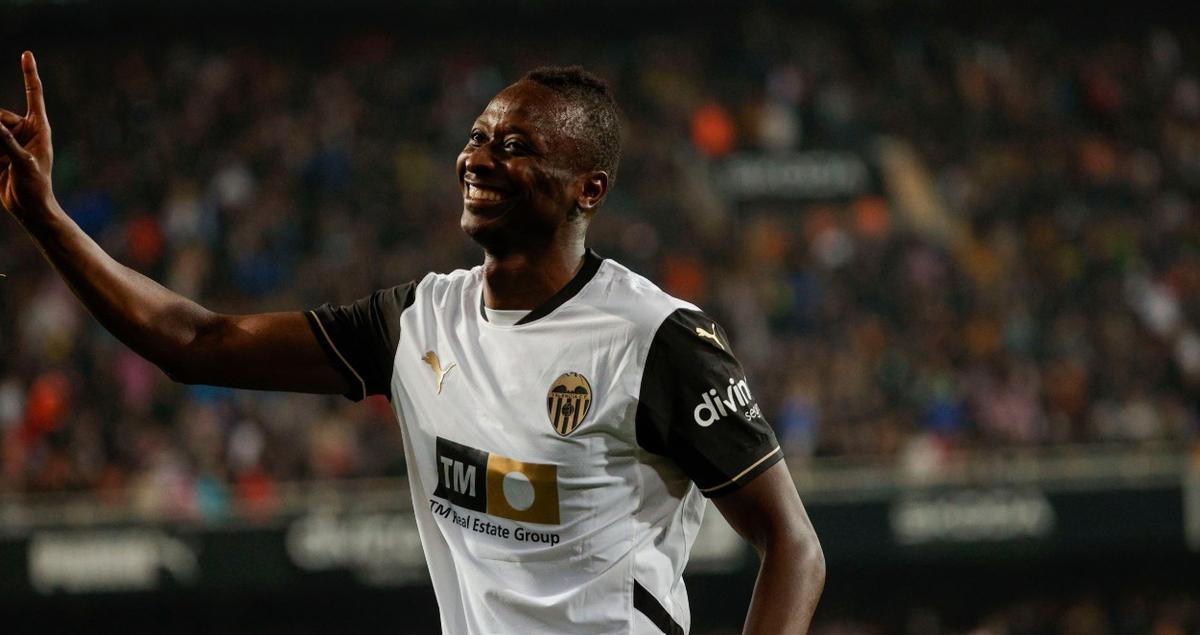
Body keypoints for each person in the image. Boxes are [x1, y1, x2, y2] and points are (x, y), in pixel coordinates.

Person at [0, 52, 825, 633]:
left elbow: (793, 543)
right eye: (476, 136)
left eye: (514, 145)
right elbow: (197, 339)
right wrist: (48, 218)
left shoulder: (656, 338)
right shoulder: (416, 321)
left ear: (589, 189)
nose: (478, 158)